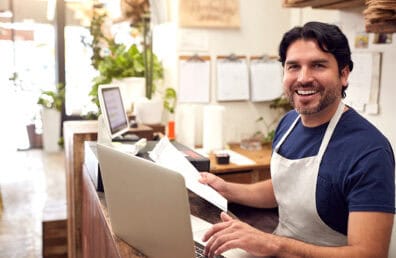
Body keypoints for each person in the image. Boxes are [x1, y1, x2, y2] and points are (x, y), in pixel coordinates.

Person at [199, 21, 395, 258]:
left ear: (343, 74)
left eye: (318, 65)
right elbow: (283, 187)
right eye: (293, 67)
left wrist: (274, 244)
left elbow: (370, 254)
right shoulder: (288, 123)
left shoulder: (369, 151)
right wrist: (226, 189)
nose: (303, 78)